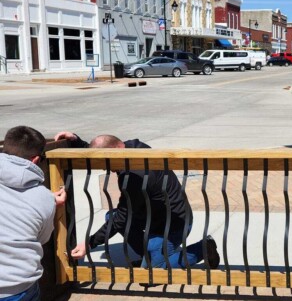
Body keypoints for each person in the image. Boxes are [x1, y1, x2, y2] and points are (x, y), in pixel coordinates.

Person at [54, 132, 220, 270]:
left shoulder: (134, 177)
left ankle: (204, 249)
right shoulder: (133, 148)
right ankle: (149, 256)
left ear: (114, 152)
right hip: (151, 217)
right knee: (111, 218)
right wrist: (77, 141)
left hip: (173, 225)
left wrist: (89, 243)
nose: (104, 168)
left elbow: (122, 217)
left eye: (105, 162)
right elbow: (104, 147)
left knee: (154, 270)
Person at [1, 126, 66, 301]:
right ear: (36, 159)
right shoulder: (43, 198)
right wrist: (48, 203)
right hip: (16, 285)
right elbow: (43, 238)